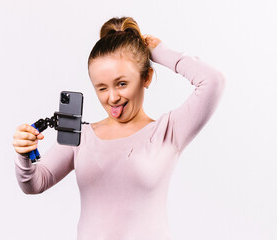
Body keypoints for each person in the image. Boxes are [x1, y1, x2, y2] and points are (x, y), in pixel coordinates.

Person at [12, 16, 226, 239]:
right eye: (102, 88)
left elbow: (214, 81)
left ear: (146, 77)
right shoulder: (81, 136)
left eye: (122, 83)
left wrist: (161, 52)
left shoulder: (168, 131)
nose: (112, 97)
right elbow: (35, 183)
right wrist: (23, 155)